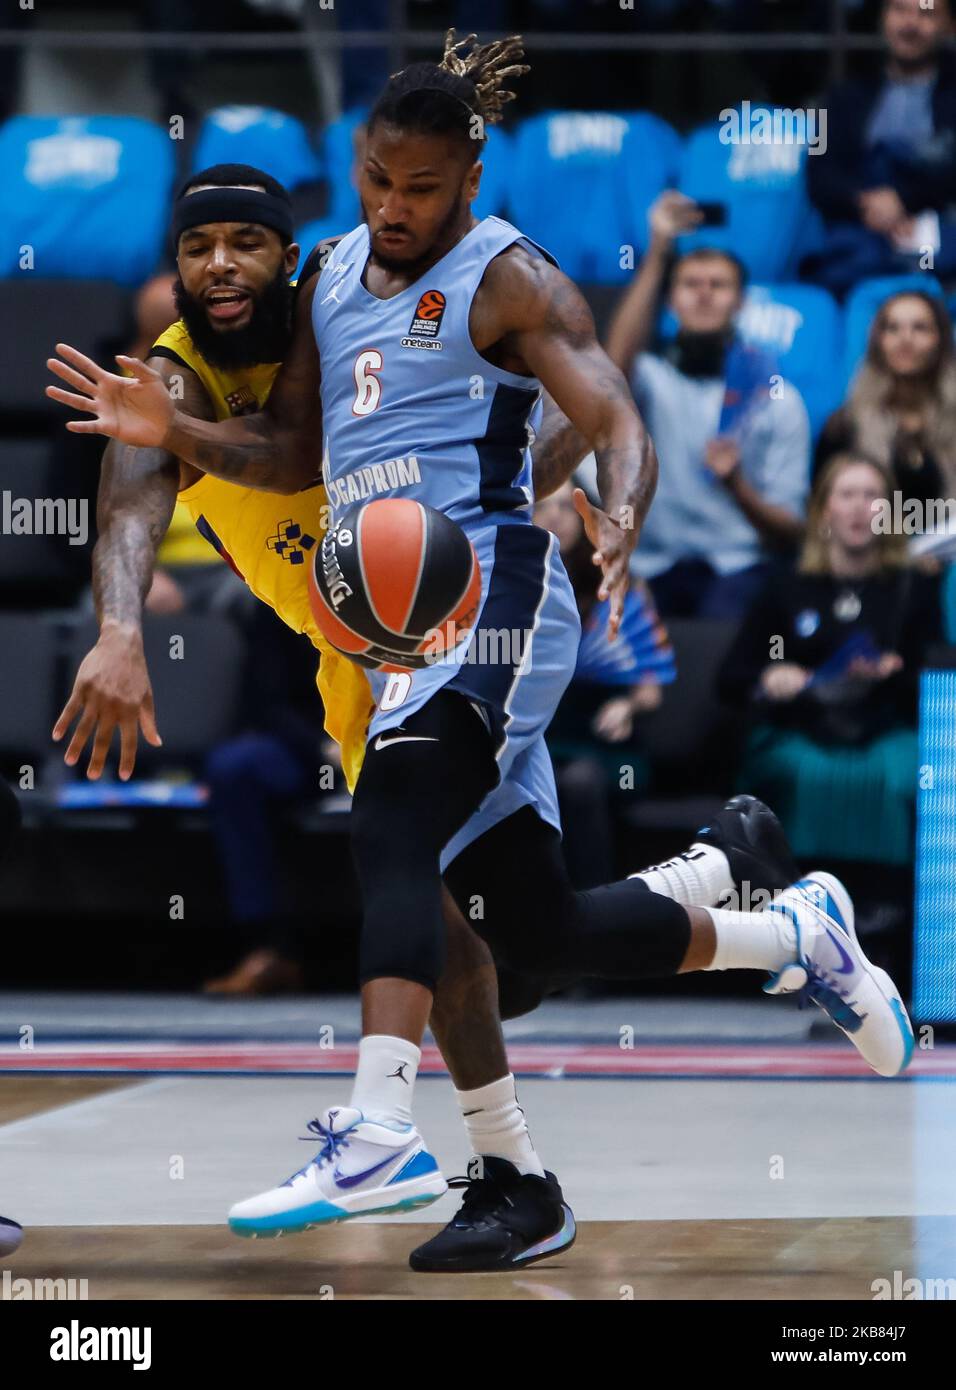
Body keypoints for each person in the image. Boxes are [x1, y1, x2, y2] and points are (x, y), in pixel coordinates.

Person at [48, 32, 915, 1274]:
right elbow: (290, 457)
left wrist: (615, 506)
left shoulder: (507, 275)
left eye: (420, 188)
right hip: (377, 629)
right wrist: (175, 432)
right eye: (375, 182)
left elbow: (607, 409)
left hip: (486, 589)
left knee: (392, 824)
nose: (394, 209)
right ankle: (781, 929)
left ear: (468, 173)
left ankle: (381, 1128)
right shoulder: (329, 280)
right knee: (531, 937)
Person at [719, 451, 941, 872]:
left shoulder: (913, 587)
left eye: (872, 495)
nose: (859, 507)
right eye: (847, 494)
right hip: (801, 729)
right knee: (802, 775)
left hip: (883, 729)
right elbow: (729, 680)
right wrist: (772, 676)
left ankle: (886, 912)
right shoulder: (786, 584)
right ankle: (796, 906)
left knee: (899, 777)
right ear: (823, 510)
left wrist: (893, 675)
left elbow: (935, 687)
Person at [606, 190, 810, 619]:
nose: (703, 295)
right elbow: (611, 369)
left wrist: (737, 485)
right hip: (654, 565)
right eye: (690, 285)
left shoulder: (776, 398)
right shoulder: (651, 382)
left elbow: (792, 533)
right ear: (671, 300)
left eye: (718, 286)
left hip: (738, 564)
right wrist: (659, 249)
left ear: (741, 302)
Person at [536, 482, 675, 889]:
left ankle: (590, 908)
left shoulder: (618, 584)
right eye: (543, 506)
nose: (556, 516)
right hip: (535, 741)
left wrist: (629, 707)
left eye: (566, 506)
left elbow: (651, 687)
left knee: (578, 781)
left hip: (605, 746)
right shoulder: (509, 584)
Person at [804, 0, 956, 297]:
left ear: (950, 26)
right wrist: (865, 202)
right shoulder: (841, 97)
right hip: (861, 239)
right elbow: (819, 171)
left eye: (926, 13)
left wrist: (903, 198)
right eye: (900, 10)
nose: (910, 24)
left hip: (942, 236)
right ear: (883, 18)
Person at [815, 290, 956, 503]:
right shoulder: (844, 426)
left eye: (920, 328)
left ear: (941, 340)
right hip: (875, 534)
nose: (905, 339)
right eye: (893, 328)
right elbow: (823, 513)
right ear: (878, 342)